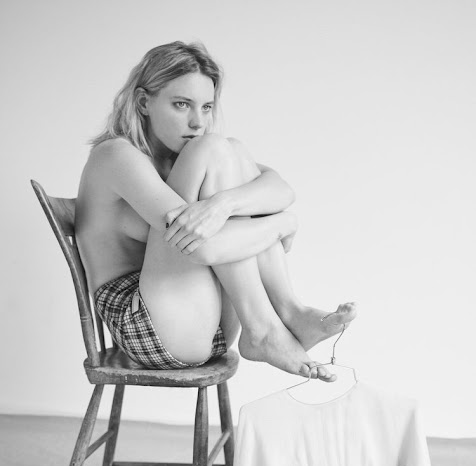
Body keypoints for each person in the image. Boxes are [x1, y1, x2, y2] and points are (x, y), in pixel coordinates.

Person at [75, 41, 356, 379]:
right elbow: (203, 248)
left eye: (207, 107)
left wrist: (223, 204)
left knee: (231, 149)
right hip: (147, 328)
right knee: (213, 149)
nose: (198, 121)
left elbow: (281, 189)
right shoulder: (116, 156)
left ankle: (285, 311)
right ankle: (264, 328)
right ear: (143, 102)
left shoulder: (185, 160)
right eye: (182, 105)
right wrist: (284, 223)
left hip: (209, 323)